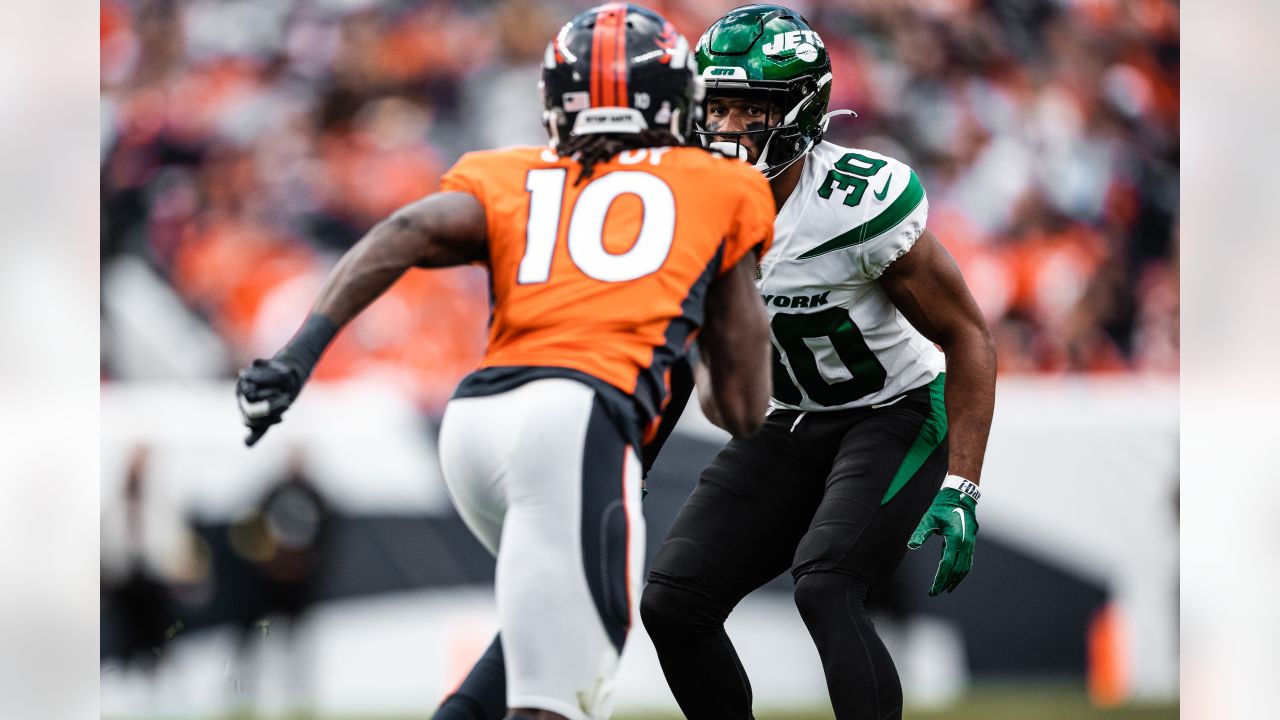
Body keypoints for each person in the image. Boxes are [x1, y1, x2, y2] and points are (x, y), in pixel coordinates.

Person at [235, 5, 777, 719]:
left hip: (476, 426)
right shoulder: (723, 184)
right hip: (575, 423)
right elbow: (740, 409)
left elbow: (406, 230)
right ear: (674, 99)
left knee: (537, 642)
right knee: (559, 696)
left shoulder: (510, 172)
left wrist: (299, 356)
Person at [635, 5, 997, 720]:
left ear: (802, 110)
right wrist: (632, 461)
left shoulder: (856, 202)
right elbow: (678, 347)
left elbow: (967, 337)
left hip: (895, 411)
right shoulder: (690, 204)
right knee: (674, 602)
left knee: (827, 584)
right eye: (721, 107)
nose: (731, 128)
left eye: (753, 109)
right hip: (792, 417)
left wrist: (963, 483)